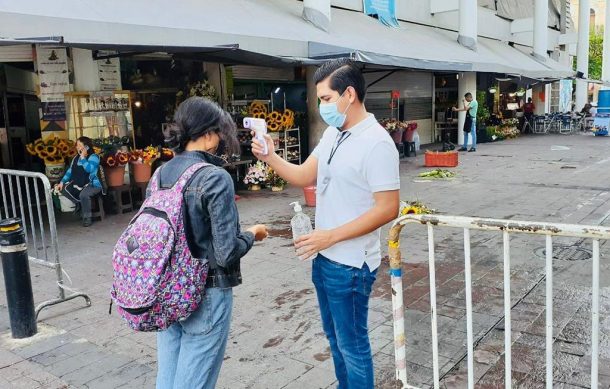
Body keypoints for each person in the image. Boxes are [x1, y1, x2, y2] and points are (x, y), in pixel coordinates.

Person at [252, 58, 400, 389]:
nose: (321, 106)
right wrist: (270, 156)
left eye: (326, 98)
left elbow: (388, 208)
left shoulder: (376, 142)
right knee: (335, 341)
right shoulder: (335, 134)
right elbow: (305, 174)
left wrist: (330, 236)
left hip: (351, 264)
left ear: (350, 94)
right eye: (320, 99)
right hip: (325, 257)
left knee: (353, 346)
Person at [155, 97, 268, 389]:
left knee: (168, 378)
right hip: (205, 292)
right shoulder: (214, 178)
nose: (220, 140)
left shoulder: (159, 174)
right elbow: (227, 251)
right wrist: (252, 234)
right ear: (207, 135)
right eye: (219, 133)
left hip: (166, 288)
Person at [55, 136, 102, 227]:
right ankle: (79, 203)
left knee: (84, 195)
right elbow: (70, 171)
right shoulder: (75, 158)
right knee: (63, 189)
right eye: (77, 145)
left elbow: (89, 169)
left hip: (93, 184)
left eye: (80, 145)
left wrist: (83, 158)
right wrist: (62, 182)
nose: (77, 147)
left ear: (86, 147)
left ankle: (87, 217)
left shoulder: (94, 157)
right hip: (79, 183)